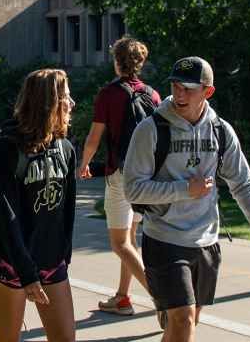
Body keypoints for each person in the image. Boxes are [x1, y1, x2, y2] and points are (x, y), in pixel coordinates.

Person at [124, 57, 250, 341]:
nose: (179, 94)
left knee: (184, 324)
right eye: (175, 86)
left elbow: (242, 181)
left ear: (207, 91)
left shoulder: (220, 130)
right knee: (183, 322)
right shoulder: (151, 129)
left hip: (207, 241)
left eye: (188, 88)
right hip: (165, 240)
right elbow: (133, 189)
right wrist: (185, 189)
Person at [0, 69, 79, 342]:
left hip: (51, 261)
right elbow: (7, 219)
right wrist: (26, 273)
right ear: (48, 103)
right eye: (66, 98)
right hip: (10, 265)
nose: (71, 104)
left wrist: (64, 258)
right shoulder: (6, 152)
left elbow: (67, 212)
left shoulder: (65, 149)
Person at [77, 36, 160, 316]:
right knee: (131, 237)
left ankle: (163, 299)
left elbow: (93, 138)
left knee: (119, 243)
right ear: (140, 63)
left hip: (120, 175)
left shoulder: (108, 94)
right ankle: (123, 298)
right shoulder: (154, 94)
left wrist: (84, 164)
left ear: (116, 61)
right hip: (147, 176)